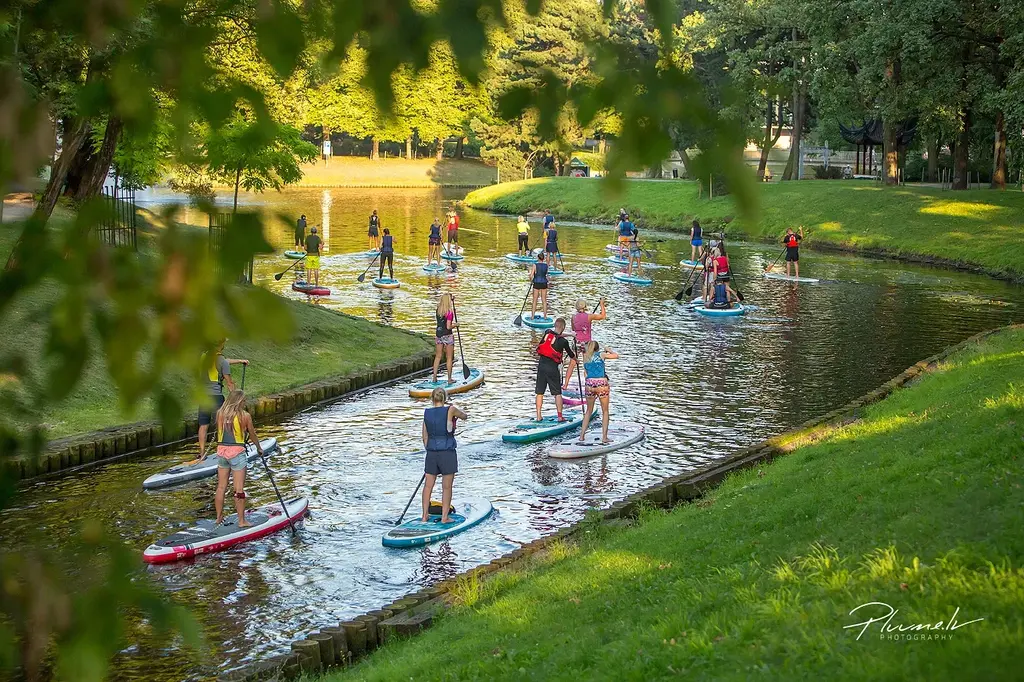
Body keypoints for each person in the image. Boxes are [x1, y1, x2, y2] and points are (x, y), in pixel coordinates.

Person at [190, 340, 248, 462]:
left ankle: (202, 453)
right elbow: (229, 383)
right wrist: (235, 398)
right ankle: (222, 450)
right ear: (221, 345)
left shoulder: (204, 357)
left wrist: (240, 361)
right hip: (216, 396)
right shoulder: (222, 361)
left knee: (203, 425)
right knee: (222, 423)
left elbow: (224, 362)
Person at [213, 390, 263, 526]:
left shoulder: (220, 414)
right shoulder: (244, 416)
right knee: (239, 490)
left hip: (222, 452)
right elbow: (252, 434)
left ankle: (218, 518)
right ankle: (242, 521)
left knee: (221, 487)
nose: (245, 402)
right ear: (239, 401)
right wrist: (259, 448)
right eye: (244, 400)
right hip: (237, 453)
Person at [421, 387, 468, 524]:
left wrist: (430, 450)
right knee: (446, 487)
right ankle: (445, 517)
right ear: (444, 398)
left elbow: (424, 436)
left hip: (431, 453)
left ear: (432, 399)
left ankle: (424, 516)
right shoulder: (450, 409)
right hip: (447, 452)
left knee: (428, 486)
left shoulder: (427, 413)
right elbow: (464, 416)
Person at [577, 341, 618, 444]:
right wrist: (609, 350)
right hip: (601, 384)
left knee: (588, 411)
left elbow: (586, 373)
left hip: (589, 384)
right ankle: (604, 437)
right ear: (597, 348)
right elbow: (616, 356)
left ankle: (582, 436)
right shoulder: (601, 354)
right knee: (605, 411)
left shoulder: (585, 357)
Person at [535, 318, 575, 422]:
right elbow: (571, 355)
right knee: (557, 393)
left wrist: (570, 334)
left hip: (541, 366)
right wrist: (576, 360)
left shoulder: (547, 333)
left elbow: (556, 334)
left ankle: (538, 416)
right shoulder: (563, 341)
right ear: (563, 328)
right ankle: (560, 416)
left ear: (554, 325)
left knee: (540, 392)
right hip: (553, 368)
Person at [562, 298, 606, 391]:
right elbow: (602, 316)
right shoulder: (589, 316)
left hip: (577, 342)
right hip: (587, 344)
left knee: (572, 364)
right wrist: (601, 304)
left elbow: (574, 329)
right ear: (585, 307)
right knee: (587, 364)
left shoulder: (573, 317)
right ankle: (588, 385)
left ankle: (565, 385)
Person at [431, 293, 457, 384]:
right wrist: (456, 325)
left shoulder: (438, 310)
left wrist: (452, 299)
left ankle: (434, 377)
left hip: (438, 335)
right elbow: (448, 326)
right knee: (449, 358)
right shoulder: (449, 313)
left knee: (438, 356)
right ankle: (449, 379)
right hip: (447, 336)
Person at [528, 251, 550, 319]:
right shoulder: (546, 265)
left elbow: (531, 276)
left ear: (538, 258)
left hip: (537, 283)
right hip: (544, 283)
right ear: (543, 258)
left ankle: (532, 316)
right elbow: (546, 275)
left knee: (535, 300)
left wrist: (531, 280)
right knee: (544, 300)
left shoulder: (535, 265)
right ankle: (545, 316)